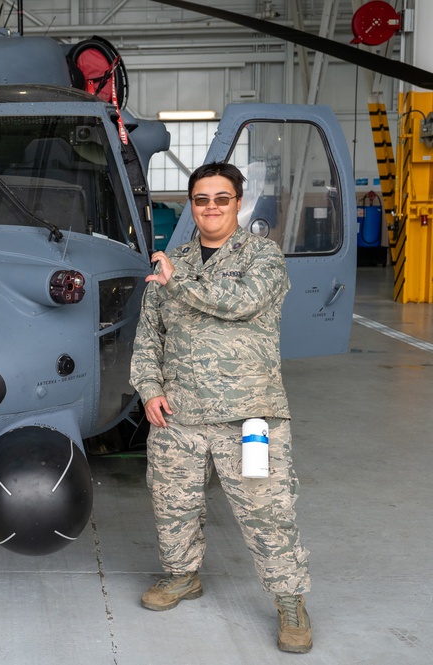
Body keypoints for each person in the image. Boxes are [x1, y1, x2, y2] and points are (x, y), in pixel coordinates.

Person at [129, 162, 312, 654]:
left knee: (267, 511)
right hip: (178, 416)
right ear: (192, 204)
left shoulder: (262, 257)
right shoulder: (175, 262)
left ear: (238, 202)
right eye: (202, 199)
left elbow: (240, 302)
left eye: (222, 198)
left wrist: (177, 283)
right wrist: (149, 390)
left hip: (248, 416)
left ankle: (290, 601)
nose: (211, 207)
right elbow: (148, 338)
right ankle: (182, 576)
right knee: (173, 505)